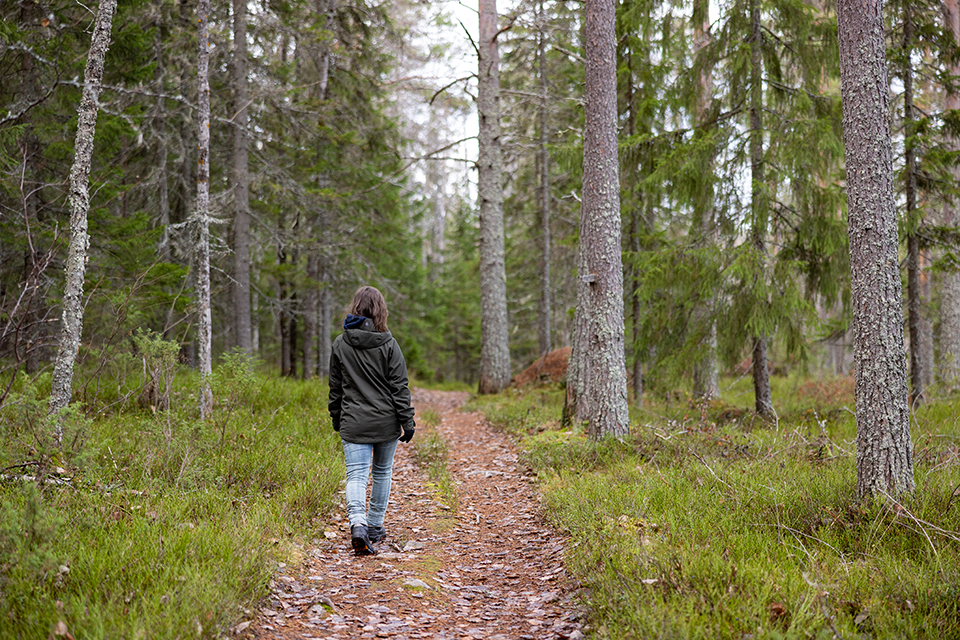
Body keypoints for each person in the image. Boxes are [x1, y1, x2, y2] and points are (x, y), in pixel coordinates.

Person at [328, 286, 416, 556]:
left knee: (356, 474)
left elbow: (336, 388)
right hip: (386, 423)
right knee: (381, 473)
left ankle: (358, 525)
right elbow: (399, 386)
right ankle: (375, 527)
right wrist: (407, 421)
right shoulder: (388, 343)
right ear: (380, 310)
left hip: (354, 422)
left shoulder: (340, 344)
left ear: (355, 307)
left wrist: (336, 417)